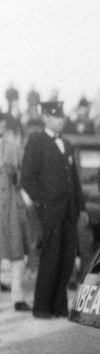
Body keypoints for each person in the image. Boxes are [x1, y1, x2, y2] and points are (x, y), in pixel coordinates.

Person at [19, 100, 86, 319]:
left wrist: (81, 208)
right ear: (46, 118)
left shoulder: (67, 144)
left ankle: (59, 306)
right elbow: (27, 178)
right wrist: (43, 202)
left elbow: (74, 180)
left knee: (67, 257)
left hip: (69, 210)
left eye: (62, 117)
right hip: (51, 210)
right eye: (57, 117)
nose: (61, 121)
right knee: (50, 256)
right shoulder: (36, 142)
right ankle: (42, 307)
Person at [0, 114, 33, 311]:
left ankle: (18, 296)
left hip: (11, 204)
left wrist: (16, 175)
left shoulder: (13, 149)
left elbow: (25, 176)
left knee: (16, 250)